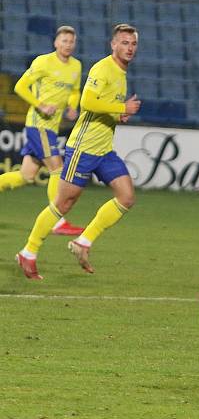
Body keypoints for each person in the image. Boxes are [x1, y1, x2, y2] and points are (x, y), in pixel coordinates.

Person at [16, 24, 142, 279]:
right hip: (83, 149)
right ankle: (28, 252)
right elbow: (88, 101)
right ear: (113, 44)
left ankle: (83, 242)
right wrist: (121, 106)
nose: (129, 48)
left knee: (126, 197)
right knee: (63, 203)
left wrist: (118, 114)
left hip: (104, 149)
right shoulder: (103, 68)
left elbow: (100, 107)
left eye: (133, 44)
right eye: (124, 43)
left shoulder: (121, 72)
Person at [0, 26, 84, 235]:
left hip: (52, 127)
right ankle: (57, 221)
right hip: (39, 124)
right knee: (57, 168)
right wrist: (40, 105)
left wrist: (73, 107)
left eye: (71, 42)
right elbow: (20, 86)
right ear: (56, 43)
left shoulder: (76, 66)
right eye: (64, 41)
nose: (68, 45)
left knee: (25, 176)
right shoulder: (43, 62)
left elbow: (74, 91)